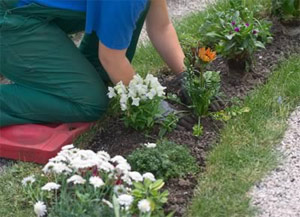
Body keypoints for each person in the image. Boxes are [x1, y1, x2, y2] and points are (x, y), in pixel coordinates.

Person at [0, 0, 185, 127]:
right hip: (10, 18)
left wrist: (187, 76)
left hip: (34, 9)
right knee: (90, 102)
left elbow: (161, 27)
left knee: (140, 6)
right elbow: (111, 59)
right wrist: (149, 103)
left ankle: (88, 73)